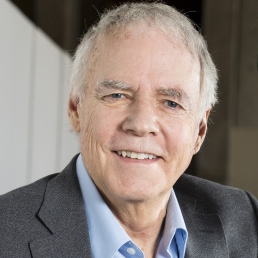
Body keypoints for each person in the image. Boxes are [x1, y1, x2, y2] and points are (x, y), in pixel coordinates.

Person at [0, 2, 257, 258]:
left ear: (200, 131)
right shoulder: (6, 234)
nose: (141, 124)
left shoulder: (245, 220)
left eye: (171, 103)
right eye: (116, 95)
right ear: (75, 109)